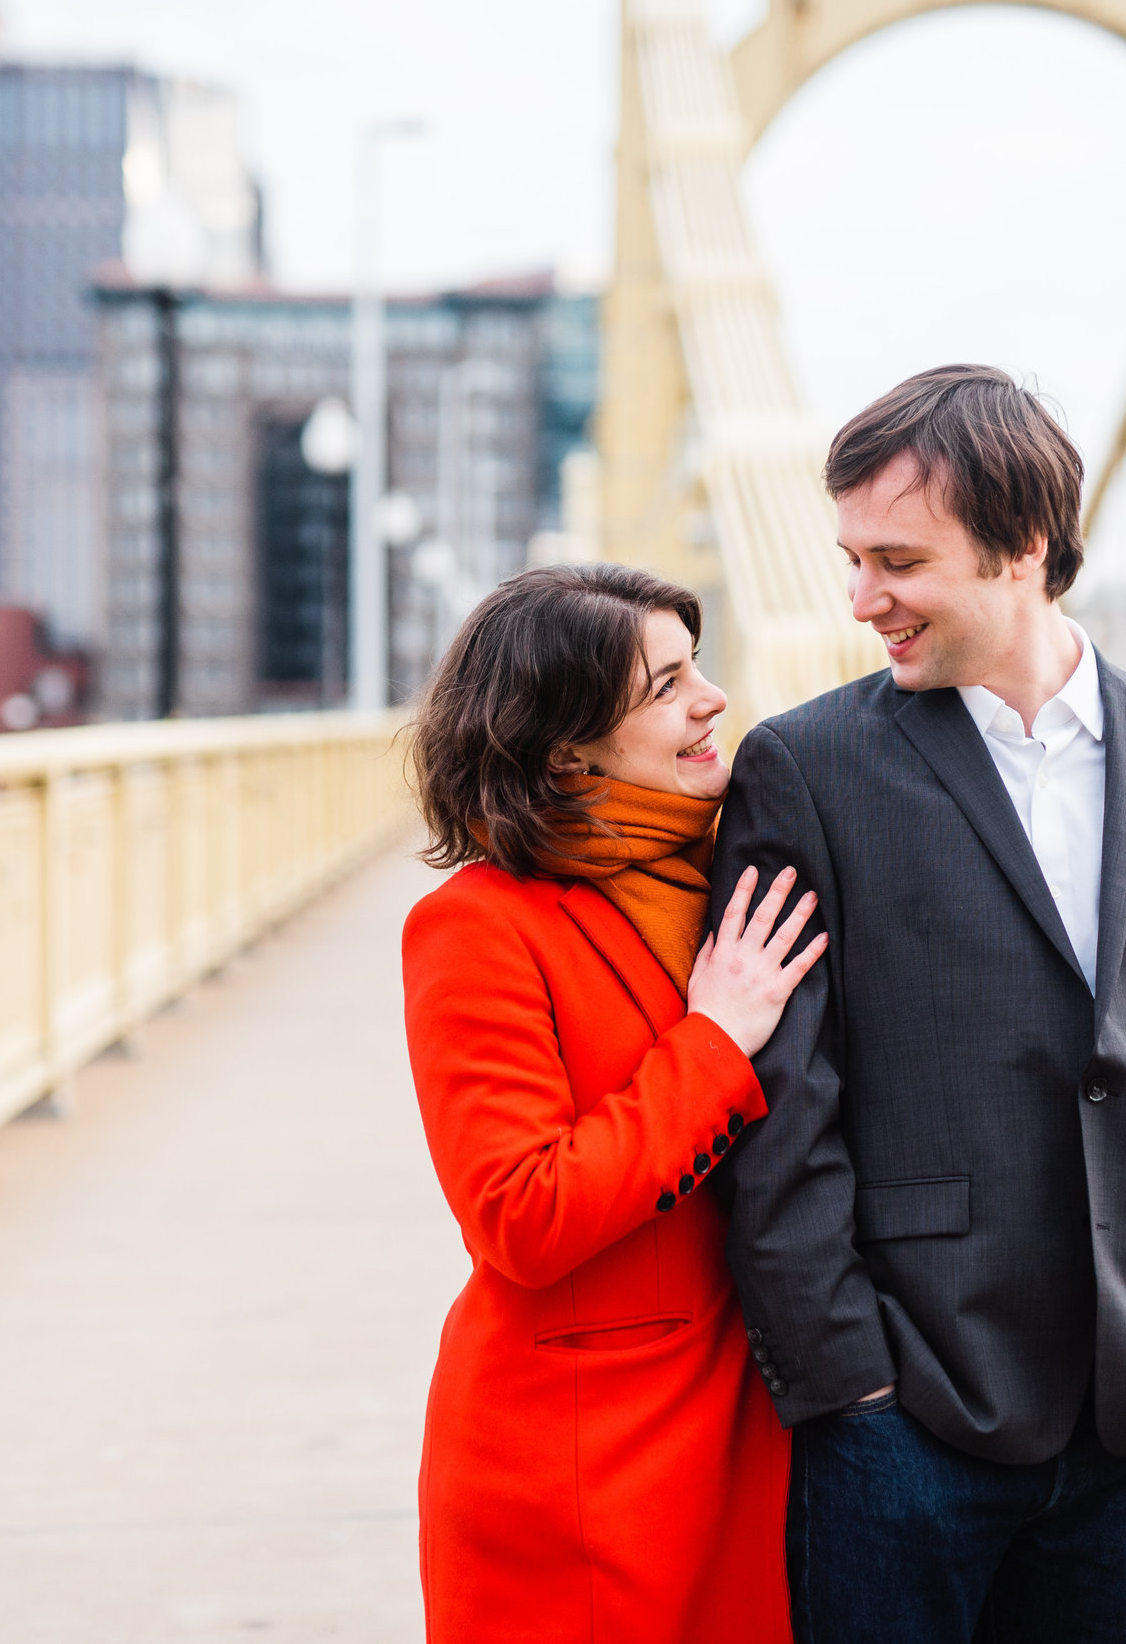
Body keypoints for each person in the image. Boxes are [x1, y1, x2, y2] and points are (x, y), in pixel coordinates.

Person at [711, 365, 1126, 1642]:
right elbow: (780, 1107)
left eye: (896, 561)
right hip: (902, 1418)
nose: (861, 601)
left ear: (1022, 547)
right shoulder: (804, 768)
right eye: (851, 559)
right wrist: (846, 1381)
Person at [401, 563, 827, 1643]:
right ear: (564, 750)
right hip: (582, 1469)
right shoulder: (477, 927)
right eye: (666, 686)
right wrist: (715, 1041)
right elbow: (520, 1213)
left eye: (699, 667)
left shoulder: (744, 868)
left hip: (748, 1426)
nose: (713, 699)